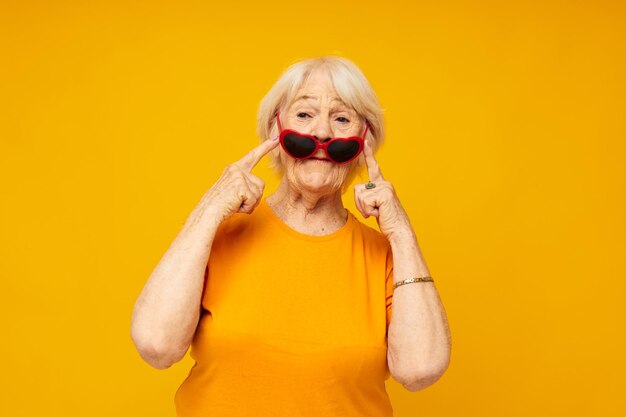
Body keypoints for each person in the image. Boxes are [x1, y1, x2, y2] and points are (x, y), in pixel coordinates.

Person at [130, 56, 451, 416]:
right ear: (274, 129)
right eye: (304, 114)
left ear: (365, 141)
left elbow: (420, 369)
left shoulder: (386, 255)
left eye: (342, 119)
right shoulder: (218, 234)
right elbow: (156, 346)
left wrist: (400, 230)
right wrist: (211, 207)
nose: (322, 132)